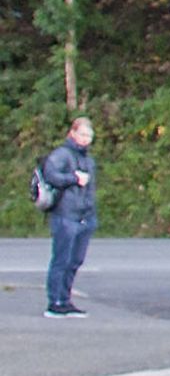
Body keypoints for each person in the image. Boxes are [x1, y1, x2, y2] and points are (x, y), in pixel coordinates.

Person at [42, 116, 98, 318]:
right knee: (61, 259)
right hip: (65, 215)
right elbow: (50, 175)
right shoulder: (62, 154)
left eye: (89, 135)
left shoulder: (88, 159)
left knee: (75, 260)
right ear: (72, 133)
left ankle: (65, 300)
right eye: (82, 134)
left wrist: (92, 214)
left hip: (84, 216)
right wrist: (73, 178)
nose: (85, 139)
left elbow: (90, 189)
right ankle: (54, 302)